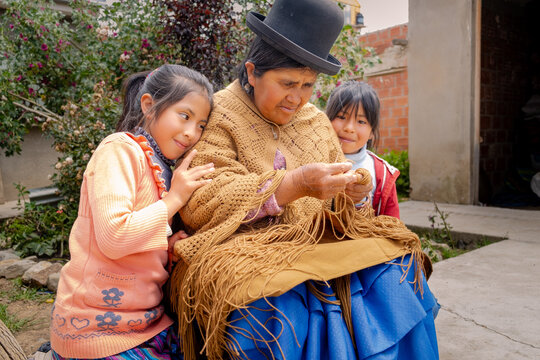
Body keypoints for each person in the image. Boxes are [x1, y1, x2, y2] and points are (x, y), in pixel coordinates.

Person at [168, 0, 439, 359]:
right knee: (284, 308)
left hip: (316, 242)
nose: (297, 98)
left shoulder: (314, 122)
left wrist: (356, 192)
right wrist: (291, 185)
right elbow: (202, 202)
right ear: (252, 72)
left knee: (398, 275)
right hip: (242, 250)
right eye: (287, 83)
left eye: (308, 85)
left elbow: (342, 197)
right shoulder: (218, 115)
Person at [49, 64, 215, 359]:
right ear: (149, 106)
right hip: (94, 331)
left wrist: (168, 246)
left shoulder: (162, 165)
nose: (192, 133)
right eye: (184, 116)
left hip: (146, 323)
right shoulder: (119, 151)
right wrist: (175, 198)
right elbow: (115, 237)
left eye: (201, 125)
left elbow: (138, 240)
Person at [327, 81, 401, 218]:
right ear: (326, 119)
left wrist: (360, 202)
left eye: (361, 121)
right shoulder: (312, 160)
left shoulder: (382, 175)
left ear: (372, 132)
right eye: (341, 117)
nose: (349, 128)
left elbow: (393, 227)